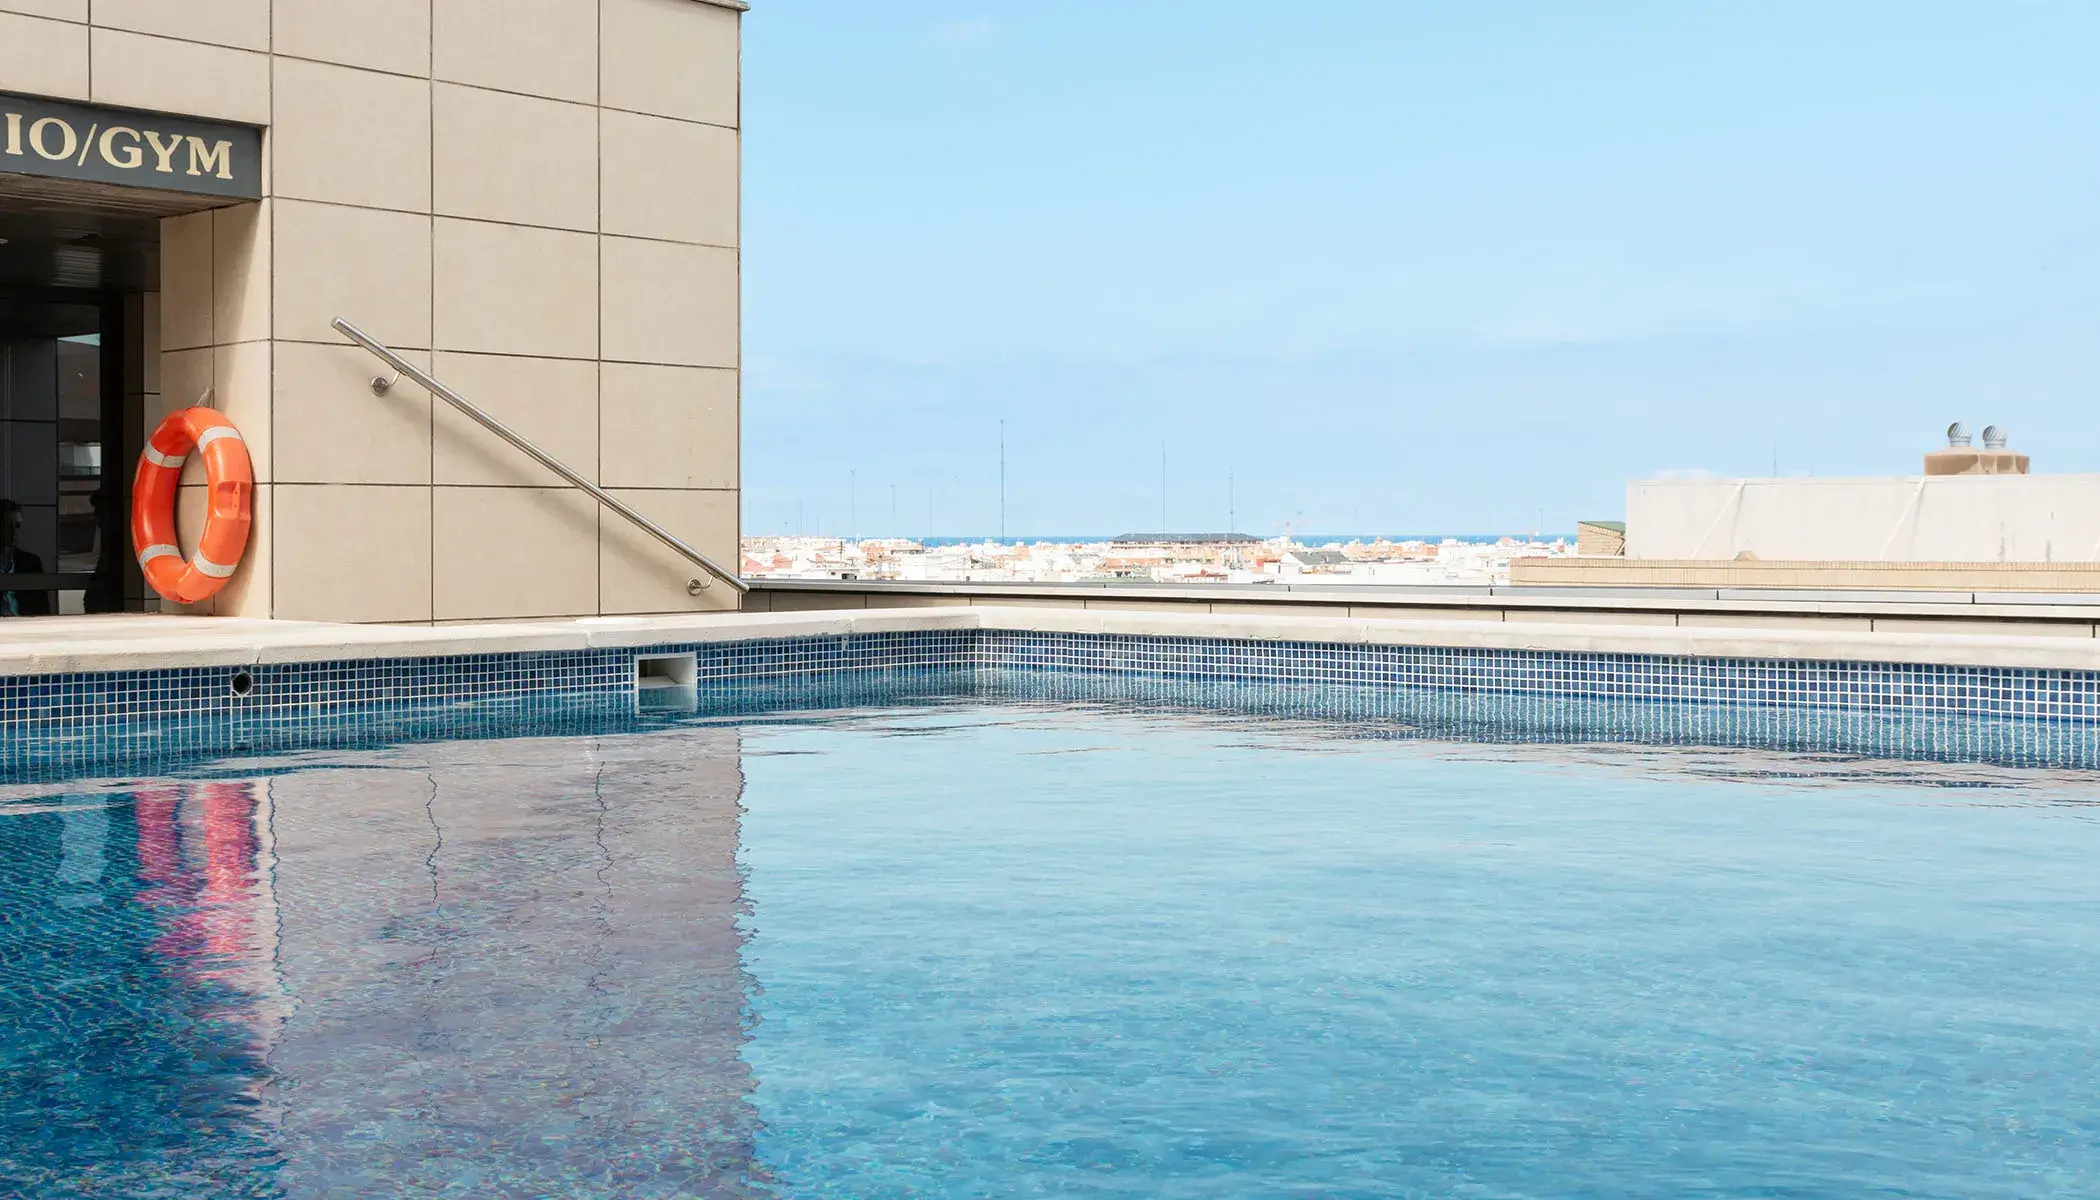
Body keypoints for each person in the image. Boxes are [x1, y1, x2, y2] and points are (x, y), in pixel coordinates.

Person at [0, 498, 51, 617]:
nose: (14, 532)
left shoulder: (31, 563)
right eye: (8, 525)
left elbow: (43, 609)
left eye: (18, 526)